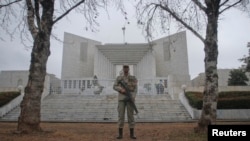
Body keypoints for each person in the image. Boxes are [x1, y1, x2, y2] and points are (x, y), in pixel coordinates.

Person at [113, 64, 138, 139]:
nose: (126, 69)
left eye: (127, 68)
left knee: (131, 116)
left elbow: (135, 88)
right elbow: (114, 86)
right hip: (122, 99)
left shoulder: (133, 78)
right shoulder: (119, 78)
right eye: (124, 68)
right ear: (123, 69)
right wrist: (121, 89)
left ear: (129, 69)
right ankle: (120, 134)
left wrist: (133, 96)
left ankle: (132, 134)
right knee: (121, 116)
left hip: (130, 99)